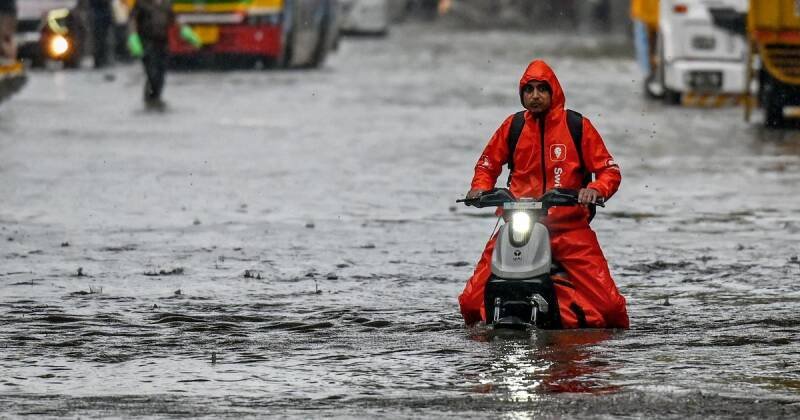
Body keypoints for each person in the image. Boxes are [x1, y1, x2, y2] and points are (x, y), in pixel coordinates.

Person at [458, 59, 629, 329]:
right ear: (521, 94)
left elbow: (609, 171)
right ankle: (482, 349)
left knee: (611, 309)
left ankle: (607, 355)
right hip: (517, 228)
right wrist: (480, 187)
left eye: (542, 89)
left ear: (554, 92)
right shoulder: (512, 126)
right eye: (529, 90)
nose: (535, 95)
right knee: (469, 303)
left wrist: (594, 189)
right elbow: (487, 163)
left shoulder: (577, 125)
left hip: (569, 230)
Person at [89, 0, 113, 68]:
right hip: (99, 18)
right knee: (100, 41)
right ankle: (100, 59)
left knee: (101, 40)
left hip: (100, 18)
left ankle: (101, 59)